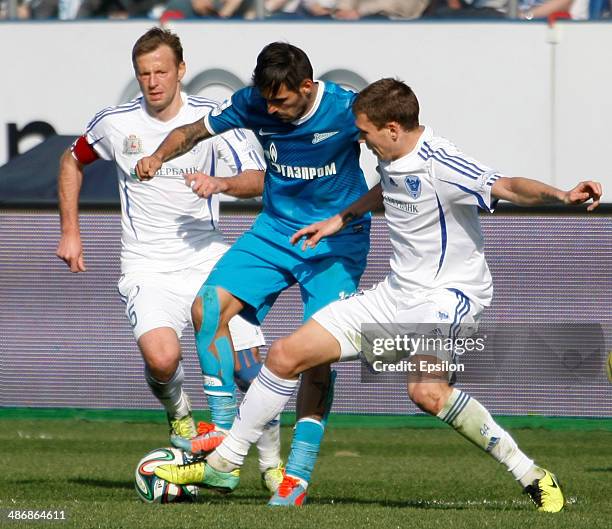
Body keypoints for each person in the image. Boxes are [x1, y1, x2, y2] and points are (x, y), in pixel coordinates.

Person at [155, 78, 602, 512]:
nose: (362, 142)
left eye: (366, 134)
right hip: (395, 295)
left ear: (392, 128)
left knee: (427, 393)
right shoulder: (392, 155)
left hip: (448, 298)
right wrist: (341, 218)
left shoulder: (440, 161)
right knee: (285, 356)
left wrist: (562, 194)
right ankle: (223, 463)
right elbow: (385, 188)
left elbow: (505, 186)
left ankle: (530, 473)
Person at [135, 42, 371, 505]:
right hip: (275, 230)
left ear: (306, 87)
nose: (270, 109)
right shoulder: (254, 103)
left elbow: (396, 151)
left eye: (280, 100)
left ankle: (296, 476)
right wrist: (159, 157)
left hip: (334, 242)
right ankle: (223, 431)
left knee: (314, 355)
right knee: (208, 306)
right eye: (265, 99)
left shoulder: (347, 109)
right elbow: (190, 133)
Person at [56, 27, 285, 492]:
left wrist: (219, 184)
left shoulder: (213, 118)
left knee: (246, 370)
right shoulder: (115, 123)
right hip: (148, 266)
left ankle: (271, 464)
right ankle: (181, 418)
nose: (153, 81)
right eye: (144, 73)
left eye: (161, 71)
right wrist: (70, 232)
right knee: (162, 360)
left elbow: (260, 178)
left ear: (181, 69)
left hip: (210, 260)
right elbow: (70, 161)